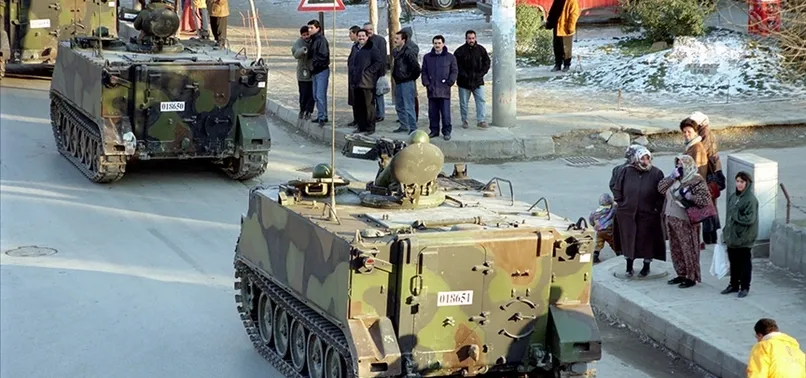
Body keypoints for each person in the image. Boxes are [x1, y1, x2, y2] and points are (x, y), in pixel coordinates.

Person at [611, 146, 666, 277]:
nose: (645, 161)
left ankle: (646, 266)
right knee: (628, 241)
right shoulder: (626, 171)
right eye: (642, 158)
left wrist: (655, 208)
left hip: (648, 215)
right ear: (636, 159)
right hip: (627, 214)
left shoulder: (656, 173)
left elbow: (661, 193)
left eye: (647, 158)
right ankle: (629, 267)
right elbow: (617, 188)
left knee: (646, 241)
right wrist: (622, 203)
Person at [658, 155, 712, 288]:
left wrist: (690, 196)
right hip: (671, 218)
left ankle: (691, 276)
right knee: (675, 248)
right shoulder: (675, 179)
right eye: (677, 165)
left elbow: (704, 199)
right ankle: (681, 273)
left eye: (681, 165)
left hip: (686, 221)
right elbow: (660, 188)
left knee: (688, 248)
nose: (679, 167)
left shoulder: (696, 180)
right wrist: (671, 177)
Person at [688, 111, 725, 245]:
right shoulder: (706, 135)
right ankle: (711, 239)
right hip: (711, 175)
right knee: (710, 208)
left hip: (708, 176)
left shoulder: (704, 137)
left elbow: (702, 157)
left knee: (707, 209)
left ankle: (710, 240)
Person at [721, 171, 759, 298]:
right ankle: (733, 284)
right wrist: (726, 231)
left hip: (744, 238)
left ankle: (745, 287)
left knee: (744, 263)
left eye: (742, 182)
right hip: (732, 237)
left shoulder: (750, 199)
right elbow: (728, 217)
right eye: (737, 181)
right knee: (734, 262)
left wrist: (736, 213)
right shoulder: (733, 197)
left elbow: (750, 219)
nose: (739, 184)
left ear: (747, 183)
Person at [421, 35, 457, 141]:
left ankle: (446, 132)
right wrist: (426, 83)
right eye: (435, 43)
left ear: (443, 44)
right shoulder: (427, 57)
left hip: (444, 90)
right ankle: (434, 131)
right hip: (432, 90)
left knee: (445, 113)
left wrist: (450, 82)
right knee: (433, 113)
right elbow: (424, 71)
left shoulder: (450, 57)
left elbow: (454, 71)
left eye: (439, 43)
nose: (437, 45)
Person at [347, 29, 384, 135]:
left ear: (367, 37)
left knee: (369, 106)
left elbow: (379, 62)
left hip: (367, 82)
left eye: (363, 36)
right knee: (358, 106)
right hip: (356, 81)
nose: (361, 38)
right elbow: (351, 61)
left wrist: (368, 72)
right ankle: (361, 126)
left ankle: (370, 128)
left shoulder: (372, 48)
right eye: (359, 36)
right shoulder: (355, 48)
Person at [454, 30, 491, 129]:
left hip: (478, 81)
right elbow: (456, 66)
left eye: (473, 38)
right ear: (466, 39)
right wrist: (464, 75)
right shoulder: (459, 51)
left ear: (476, 38)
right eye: (469, 38)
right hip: (463, 82)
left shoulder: (481, 50)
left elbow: (487, 63)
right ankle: (464, 120)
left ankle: (481, 120)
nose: (471, 40)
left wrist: (481, 74)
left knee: (481, 101)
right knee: (464, 103)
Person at [391, 29, 421, 134]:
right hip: (398, 82)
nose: (395, 40)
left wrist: (409, 77)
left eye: (397, 39)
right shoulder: (395, 51)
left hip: (407, 82)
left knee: (409, 106)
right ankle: (403, 125)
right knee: (399, 105)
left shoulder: (409, 51)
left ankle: (413, 128)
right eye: (395, 38)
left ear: (403, 40)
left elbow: (416, 68)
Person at [545, 0, 580, 72]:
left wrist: (571, 27)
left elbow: (574, 14)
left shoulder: (572, 1)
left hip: (566, 29)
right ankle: (558, 64)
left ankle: (566, 65)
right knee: (557, 47)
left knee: (566, 48)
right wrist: (549, 22)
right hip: (557, 27)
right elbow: (552, 12)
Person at [307, 19, 330, 126]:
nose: (309, 29)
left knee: (320, 95)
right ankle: (322, 115)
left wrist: (314, 64)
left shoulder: (320, 40)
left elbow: (323, 56)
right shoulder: (313, 39)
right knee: (316, 95)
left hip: (321, 70)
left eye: (311, 28)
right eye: (309, 27)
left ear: (317, 28)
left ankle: (322, 117)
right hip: (315, 71)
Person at [364, 22, 388, 122]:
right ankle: (372, 114)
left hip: (377, 73)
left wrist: (380, 72)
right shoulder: (364, 40)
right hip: (367, 74)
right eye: (366, 29)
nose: (369, 31)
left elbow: (382, 57)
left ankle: (380, 114)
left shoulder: (380, 40)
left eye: (370, 29)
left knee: (379, 94)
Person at [292, 26, 314, 120]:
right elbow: (295, 54)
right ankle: (302, 109)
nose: (306, 37)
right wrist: (303, 50)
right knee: (303, 92)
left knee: (312, 93)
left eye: (307, 34)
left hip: (313, 71)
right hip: (302, 72)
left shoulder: (314, 41)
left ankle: (309, 111)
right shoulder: (298, 43)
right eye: (304, 35)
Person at [589, 193, 618, 264]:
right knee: (613, 243)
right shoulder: (610, 210)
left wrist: (594, 225)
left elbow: (591, 220)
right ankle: (619, 254)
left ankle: (595, 255)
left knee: (599, 243)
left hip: (599, 231)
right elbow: (615, 208)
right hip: (608, 230)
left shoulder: (595, 212)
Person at [346, 25, 361, 128]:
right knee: (354, 100)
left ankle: (360, 121)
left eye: (350, 33)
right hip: (352, 77)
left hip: (359, 78)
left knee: (359, 101)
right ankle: (356, 119)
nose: (349, 36)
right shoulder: (354, 46)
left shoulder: (361, 47)